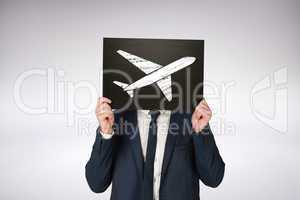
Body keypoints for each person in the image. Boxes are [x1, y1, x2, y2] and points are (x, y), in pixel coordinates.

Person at [85, 97, 225, 200]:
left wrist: (202, 130)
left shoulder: (191, 118)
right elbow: (97, 183)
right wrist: (105, 132)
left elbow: (213, 178)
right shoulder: (116, 120)